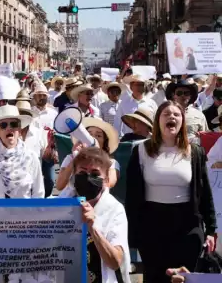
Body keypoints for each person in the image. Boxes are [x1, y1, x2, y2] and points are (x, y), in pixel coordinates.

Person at [126, 101, 217, 283]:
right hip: (152, 227)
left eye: (176, 114)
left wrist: (211, 228)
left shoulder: (195, 152)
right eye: (166, 114)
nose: (171, 117)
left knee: (184, 278)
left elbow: (205, 192)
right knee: (156, 277)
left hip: (187, 226)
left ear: (182, 121)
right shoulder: (141, 150)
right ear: (157, 121)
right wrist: (131, 232)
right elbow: (132, 195)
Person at [58, 147, 131, 283]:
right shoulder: (60, 206)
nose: (88, 178)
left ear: (106, 179)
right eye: (83, 172)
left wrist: (92, 227)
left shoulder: (114, 209)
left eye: (95, 173)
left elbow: (115, 262)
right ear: (74, 174)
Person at [0, 105, 44, 198]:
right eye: (4, 125)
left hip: (24, 211)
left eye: (14, 124)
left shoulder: (31, 156)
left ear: (19, 130)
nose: (9, 128)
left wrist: (36, 212)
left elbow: (38, 192)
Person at [56, 117, 120, 195]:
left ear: (105, 142)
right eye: (89, 134)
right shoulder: (70, 158)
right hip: (71, 202)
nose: (93, 138)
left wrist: (97, 157)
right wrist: (76, 158)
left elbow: (110, 183)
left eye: (98, 135)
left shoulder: (111, 162)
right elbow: (59, 186)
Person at [166, 79, 208, 144]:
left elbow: (205, 137)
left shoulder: (199, 115)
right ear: (173, 95)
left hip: (192, 152)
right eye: (179, 93)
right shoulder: (165, 114)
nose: (183, 95)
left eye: (186, 93)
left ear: (190, 96)